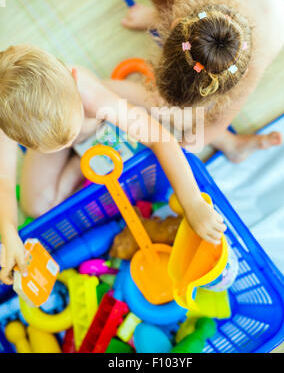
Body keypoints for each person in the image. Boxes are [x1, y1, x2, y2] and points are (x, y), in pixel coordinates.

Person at [0, 44, 226, 284]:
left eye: (69, 135)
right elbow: (4, 178)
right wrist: (9, 232)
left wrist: (192, 202)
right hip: (75, 135)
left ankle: (228, 139)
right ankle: (81, 157)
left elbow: (157, 137)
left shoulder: (85, 91)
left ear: (72, 79)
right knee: (36, 206)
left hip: (103, 107)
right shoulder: (7, 115)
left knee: (173, 112)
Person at [117, 0, 284, 161]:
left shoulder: (250, 66)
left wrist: (189, 145)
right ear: (175, 24)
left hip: (261, 15)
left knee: (186, 121)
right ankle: (157, 15)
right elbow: (176, 8)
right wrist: (161, 13)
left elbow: (219, 122)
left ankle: (233, 146)